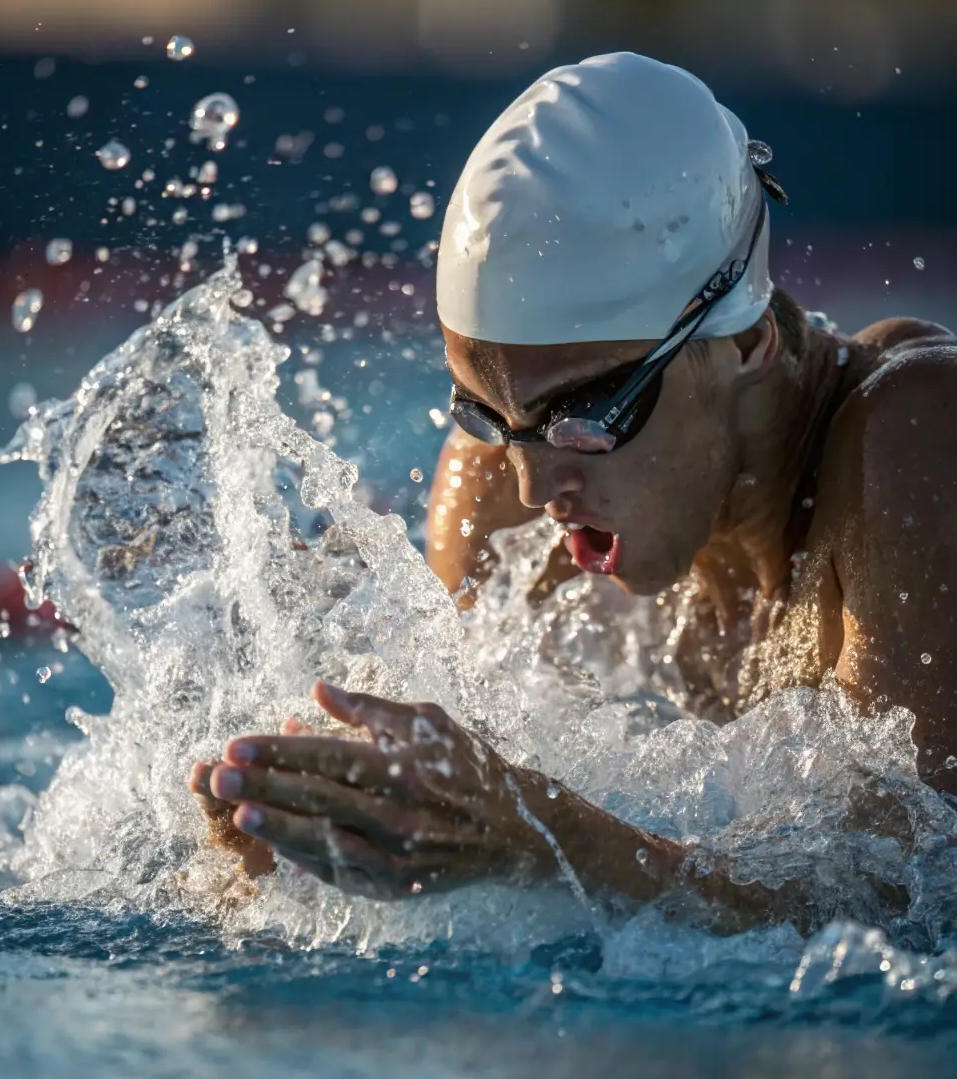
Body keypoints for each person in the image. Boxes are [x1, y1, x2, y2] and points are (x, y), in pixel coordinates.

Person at [190, 52, 956, 932]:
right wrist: (289, 853)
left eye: (588, 412)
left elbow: (903, 901)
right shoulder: (501, 488)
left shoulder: (919, 442)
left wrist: (546, 839)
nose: (536, 483)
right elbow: (463, 827)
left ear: (745, 346)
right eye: (483, 412)